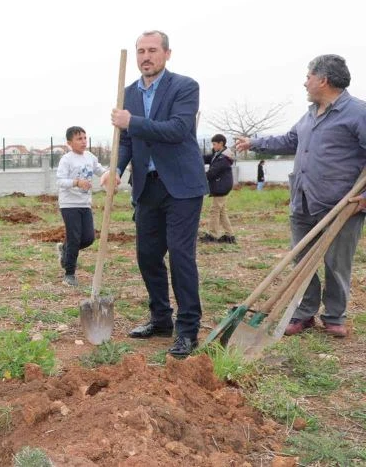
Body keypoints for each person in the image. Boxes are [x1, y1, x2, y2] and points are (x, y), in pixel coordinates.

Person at [235, 54, 366, 338]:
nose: (305, 82)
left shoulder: (358, 113)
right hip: (303, 199)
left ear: (323, 79)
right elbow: (289, 140)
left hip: (341, 204)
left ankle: (334, 316)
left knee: (337, 263)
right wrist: (254, 142)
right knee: (302, 261)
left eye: (308, 77)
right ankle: (304, 313)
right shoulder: (310, 114)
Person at [100, 30, 207, 358]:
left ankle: (187, 329)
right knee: (147, 255)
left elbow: (178, 129)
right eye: (141, 51)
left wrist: (132, 121)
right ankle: (161, 318)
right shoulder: (128, 93)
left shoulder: (184, 87)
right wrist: (116, 169)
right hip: (147, 187)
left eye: (152, 50)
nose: (146, 57)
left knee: (180, 255)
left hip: (182, 187)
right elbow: (127, 141)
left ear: (167, 54)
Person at [55, 126, 107, 286]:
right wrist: (77, 182)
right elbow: (60, 181)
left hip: (85, 204)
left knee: (88, 238)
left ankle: (65, 249)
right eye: (79, 139)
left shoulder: (90, 157)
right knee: (74, 238)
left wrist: (110, 174)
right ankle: (69, 274)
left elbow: (100, 170)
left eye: (85, 138)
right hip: (69, 204)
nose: (83, 141)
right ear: (69, 143)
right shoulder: (67, 159)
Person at [199, 134, 236, 244]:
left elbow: (212, 173)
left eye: (215, 144)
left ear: (221, 143)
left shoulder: (223, 158)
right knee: (222, 212)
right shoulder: (218, 155)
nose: (213, 146)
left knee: (214, 211)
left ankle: (212, 235)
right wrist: (195, 157)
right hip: (221, 186)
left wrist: (197, 176)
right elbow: (206, 158)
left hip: (221, 187)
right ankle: (230, 235)